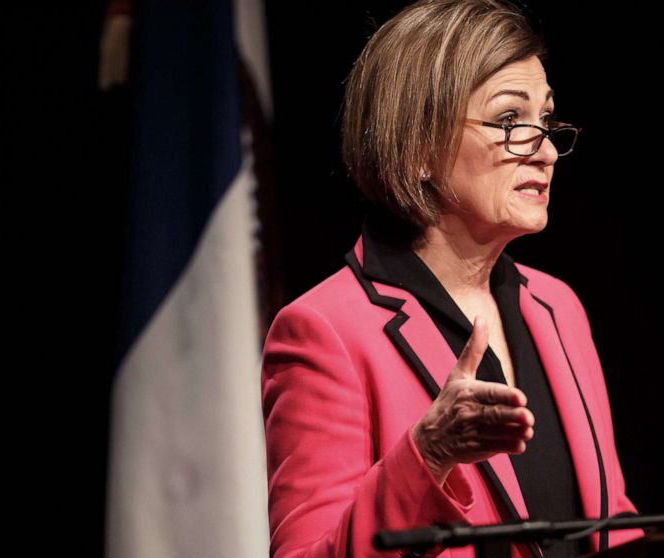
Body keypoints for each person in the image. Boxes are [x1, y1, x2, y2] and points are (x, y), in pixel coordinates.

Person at [260, 2, 642, 558]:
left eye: (548, 121)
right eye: (511, 121)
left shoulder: (557, 307)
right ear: (418, 147)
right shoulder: (323, 331)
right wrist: (428, 454)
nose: (548, 151)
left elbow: (613, 522)